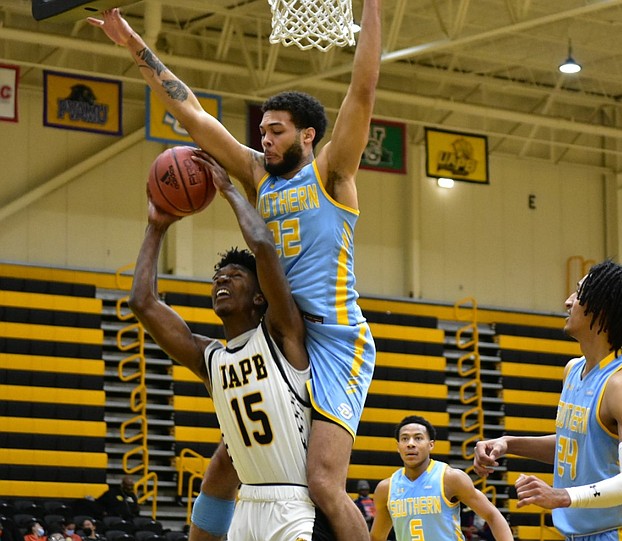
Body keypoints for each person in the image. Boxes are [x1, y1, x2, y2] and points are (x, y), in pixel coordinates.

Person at [88, 4, 381, 540]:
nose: (264, 139)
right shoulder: (254, 174)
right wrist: (133, 44)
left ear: (309, 136)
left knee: (321, 480)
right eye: (261, 130)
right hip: (277, 328)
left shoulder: (333, 173)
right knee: (227, 462)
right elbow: (192, 114)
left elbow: (362, 92)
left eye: (276, 131)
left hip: (335, 338)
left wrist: (375, 8)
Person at [128, 152, 326, 540]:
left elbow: (265, 248)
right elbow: (142, 302)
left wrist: (230, 191)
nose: (222, 280)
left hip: (295, 504)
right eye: (218, 276)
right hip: (247, 504)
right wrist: (156, 226)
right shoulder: (211, 359)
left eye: (235, 276)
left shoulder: (283, 335)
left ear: (258, 297)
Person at [474, 259, 622, 540]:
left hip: (619, 533)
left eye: (579, 295)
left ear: (603, 310)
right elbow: (576, 449)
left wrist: (562, 496)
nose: (568, 302)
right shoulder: (573, 370)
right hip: (577, 534)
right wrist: (507, 444)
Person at [370, 415, 513, 541]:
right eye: (405, 439)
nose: (410, 443)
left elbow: (492, 515)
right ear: (398, 446)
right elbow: (377, 537)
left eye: (418, 438)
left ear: (430, 445)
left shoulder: (450, 478)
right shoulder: (386, 489)